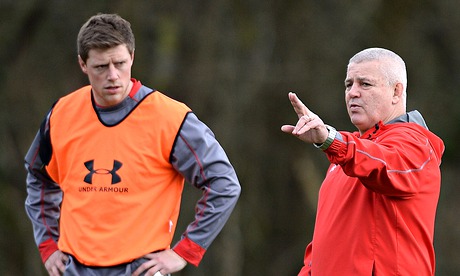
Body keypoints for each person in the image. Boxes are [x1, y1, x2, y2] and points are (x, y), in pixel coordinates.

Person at [24, 13, 241, 276]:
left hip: (141, 269)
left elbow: (224, 183)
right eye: (101, 67)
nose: (113, 75)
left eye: (120, 63)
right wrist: (48, 245)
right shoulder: (61, 114)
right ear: (83, 64)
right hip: (74, 268)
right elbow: (38, 176)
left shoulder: (171, 118)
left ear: (132, 57)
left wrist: (185, 251)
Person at [281, 47, 444, 275]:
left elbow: (383, 164)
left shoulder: (415, 143)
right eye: (349, 85)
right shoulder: (344, 157)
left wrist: (330, 139)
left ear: (397, 91)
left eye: (365, 84)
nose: (352, 93)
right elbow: (323, 245)